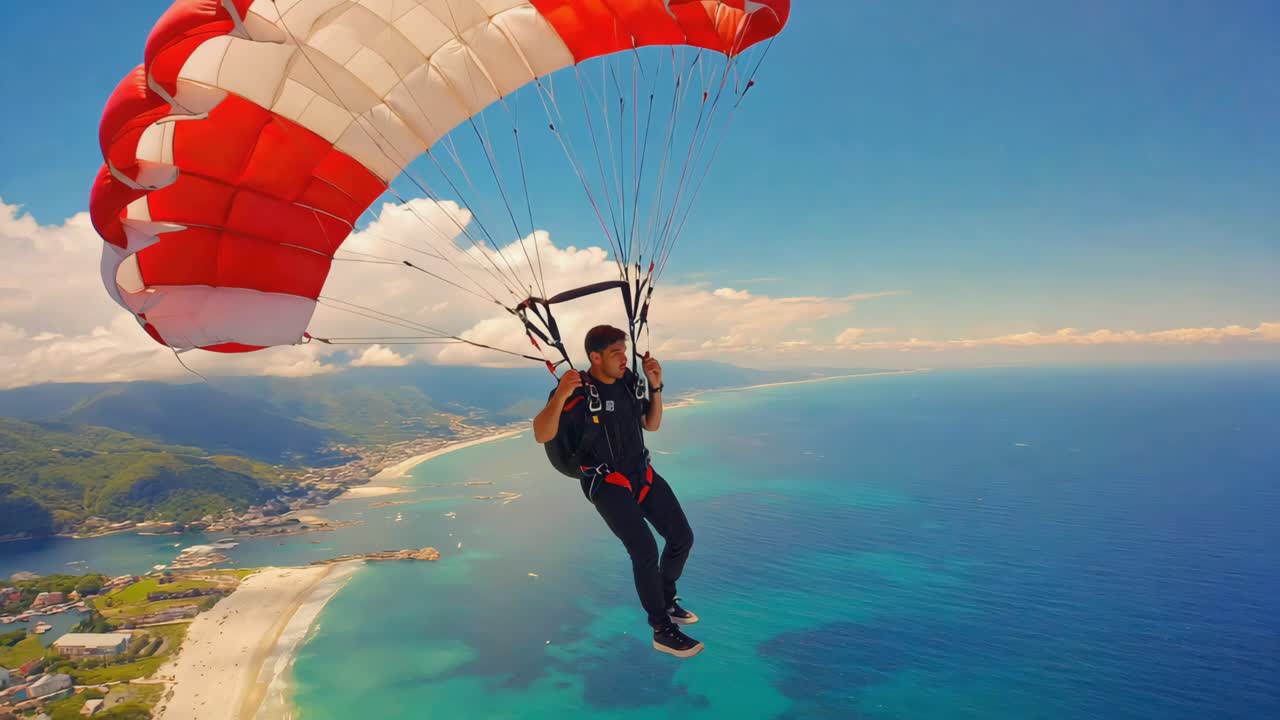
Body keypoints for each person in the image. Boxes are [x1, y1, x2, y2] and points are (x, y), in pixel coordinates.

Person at [532, 325, 703, 658]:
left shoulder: (627, 383)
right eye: (615, 354)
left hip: (642, 474)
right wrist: (562, 395)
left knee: (682, 538)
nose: (625, 359)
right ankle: (662, 629)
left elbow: (651, 425)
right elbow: (541, 433)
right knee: (644, 551)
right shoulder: (575, 391)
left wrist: (656, 388)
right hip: (606, 483)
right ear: (595, 358)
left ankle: (666, 599)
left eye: (624, 352)